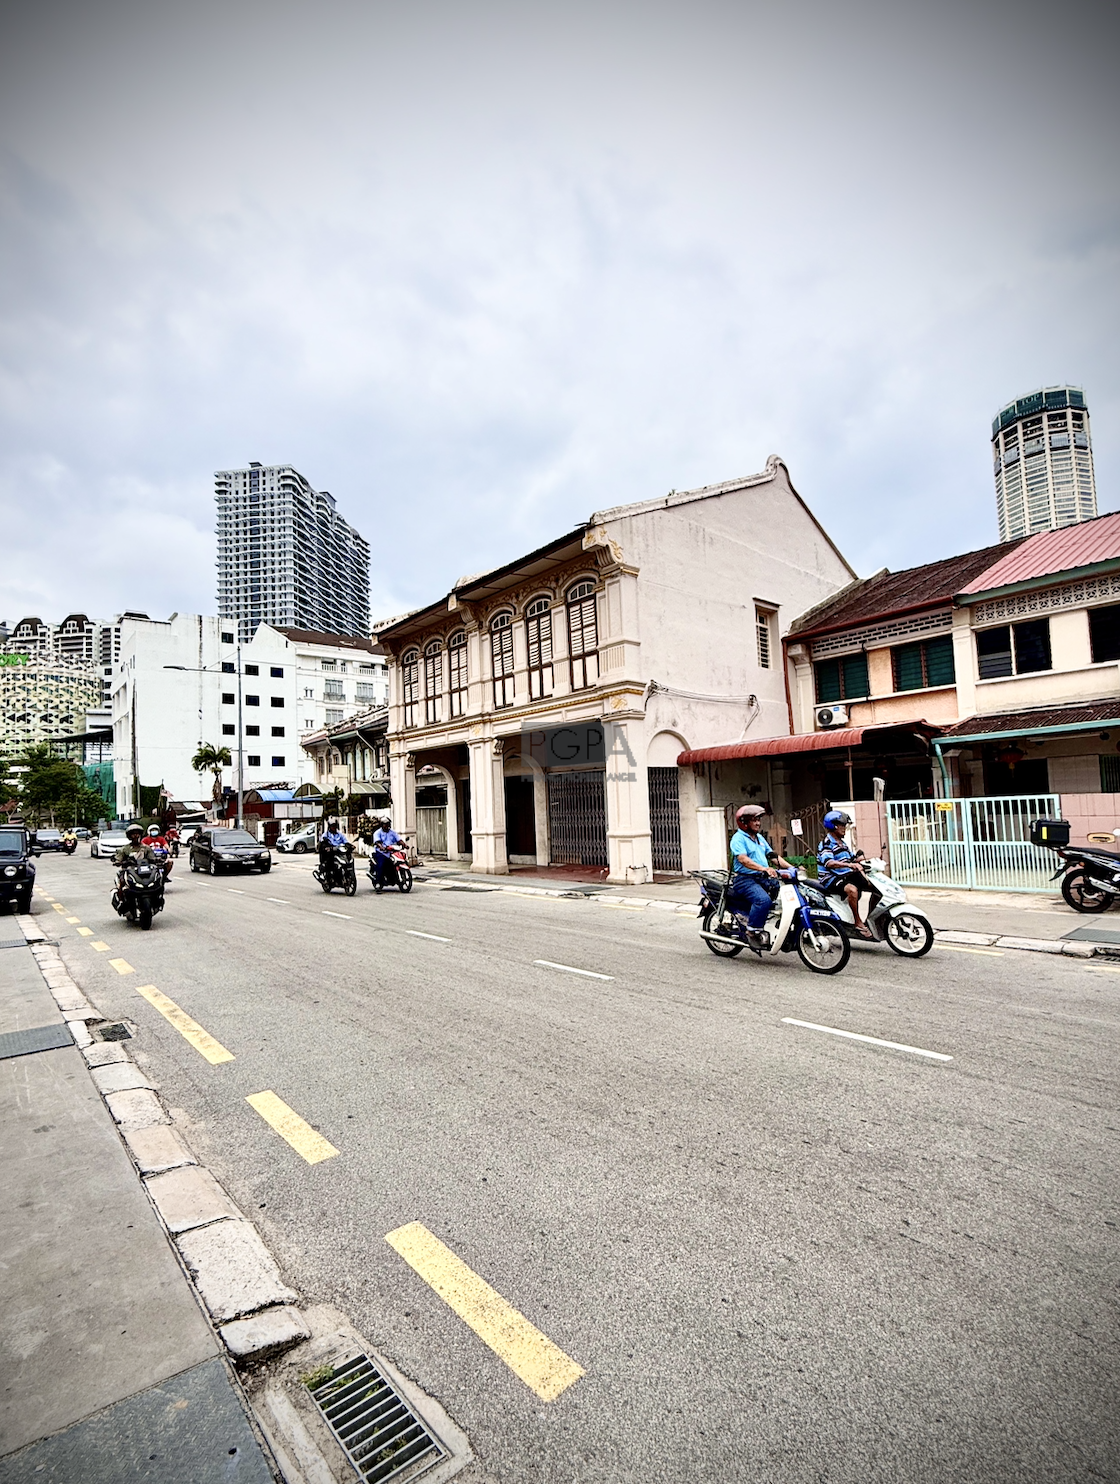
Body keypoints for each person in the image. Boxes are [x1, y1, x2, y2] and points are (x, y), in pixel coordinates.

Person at [728, 805, 790, 944]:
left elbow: (773, 856)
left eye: (758, 820)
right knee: (763, 900)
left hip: (761, 878)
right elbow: (743, 859)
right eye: (754, 820)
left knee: (783, 897)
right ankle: (752, 930)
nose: (758, 823)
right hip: (745, 879)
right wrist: (764, 869)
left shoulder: (759, 838)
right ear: (744, 823)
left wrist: (793, 868)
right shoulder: (738, 839)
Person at [816, 810, 881, 939]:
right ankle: (857, 922)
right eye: (842, 825)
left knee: (876, 888)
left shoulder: (842, 843)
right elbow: (829, 863)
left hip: (845, 875)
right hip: (831, 878)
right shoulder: (826, 844)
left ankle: (869, 919)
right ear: (834, 826)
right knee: (852, 890)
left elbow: (852, 859)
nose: (844, 828)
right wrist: (850, 865)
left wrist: (863, 859)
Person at [371, 817, 404, 888]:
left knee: (400, 860)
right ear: (382, 825)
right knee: (381, 865)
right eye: (385, 824)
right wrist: (381, 847)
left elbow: (398, 839)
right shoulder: (377, 833)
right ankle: (378, 882)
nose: (387, 826)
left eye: (388, 824)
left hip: (392, 852)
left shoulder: (392, 832)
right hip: (381, 853)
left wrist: (404, 844)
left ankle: (394, 878)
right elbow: (377, 842)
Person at [318, 820, 348, 885]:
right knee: (329, 861)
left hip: (339, 851)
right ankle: (328, 877)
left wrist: (349, 846)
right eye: (332, 826)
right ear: (329, 827)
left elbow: (345, 841)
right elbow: (322, 843)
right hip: (330, 852)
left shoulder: (340, 834)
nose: (334, 827)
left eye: (335, 826)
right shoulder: (325, 835)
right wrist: (327, 847)